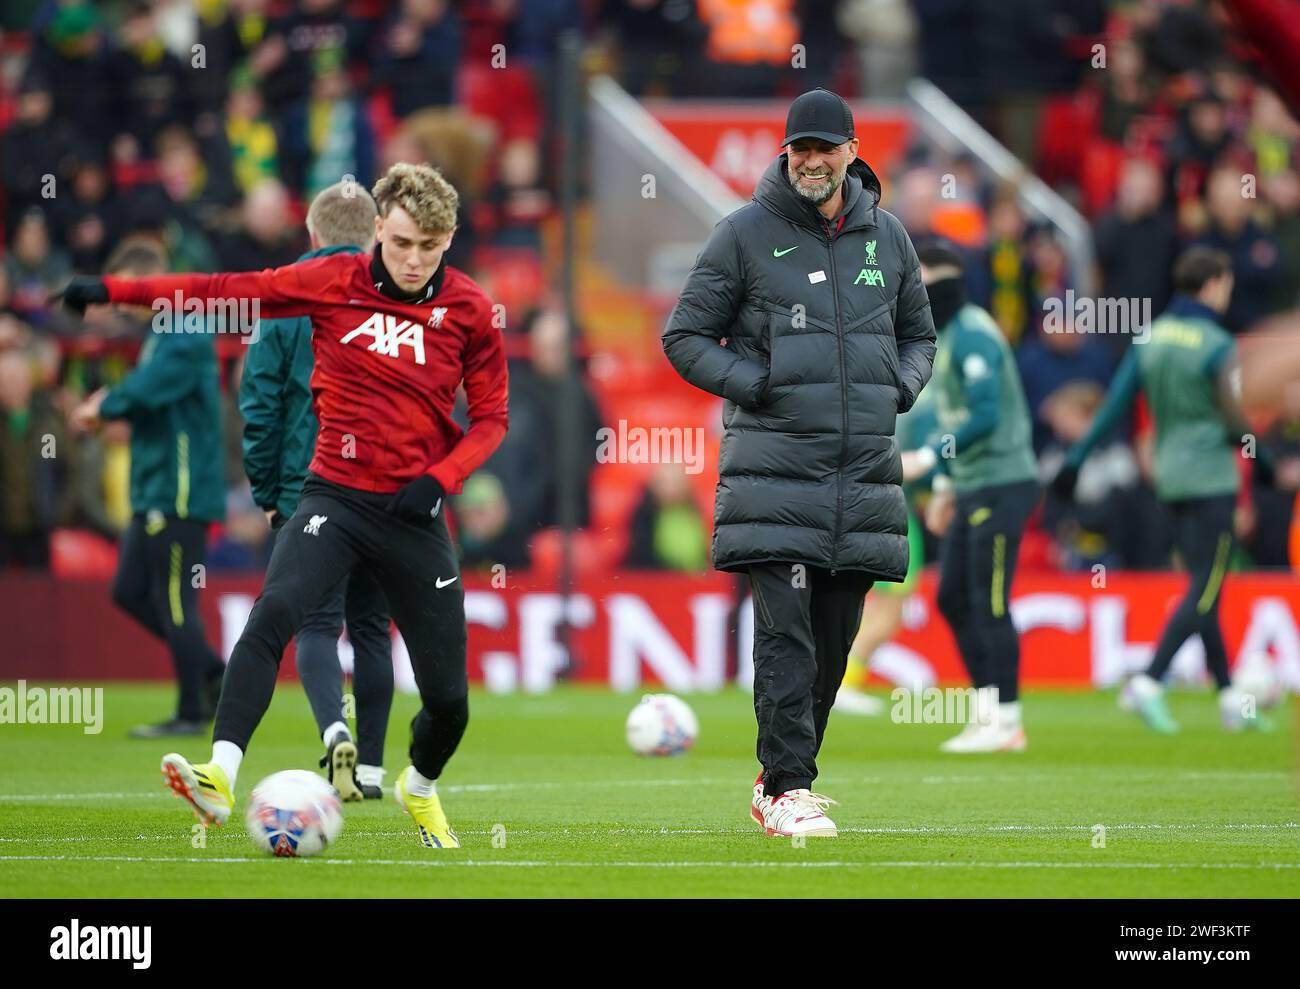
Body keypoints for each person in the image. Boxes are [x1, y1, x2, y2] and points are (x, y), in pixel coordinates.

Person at [60, 163, 509, 848]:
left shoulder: (472, 309)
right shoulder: (334, 283)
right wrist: (116, 291)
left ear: (449, 240)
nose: (415, 258)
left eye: (432, 244)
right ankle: (218, 771)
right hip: (333, 492)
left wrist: (442, 477)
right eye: (403, 242)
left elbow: (492, 419)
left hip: (416, 513)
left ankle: (417, 786)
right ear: (379, 229)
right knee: (274, 614)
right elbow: (220, 291)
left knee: (449, 702)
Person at [663, 89, 936, 838]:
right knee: (786, 633)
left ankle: (781, 776)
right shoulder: (743, 235)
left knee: (835, 639)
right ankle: (787, 785)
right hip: (774, 473)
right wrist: (757, 385)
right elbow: (684, 336)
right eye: (799, 149)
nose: (811, 161)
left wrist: (899, 389)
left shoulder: (891, 240)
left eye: (825, 148)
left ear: (851, 153)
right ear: (785, 155)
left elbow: (920, 336)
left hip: (863, 476)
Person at [1053, 247, 1273, 734]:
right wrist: (1266, 462)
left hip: (1168, 478)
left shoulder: (1149, 336)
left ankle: (1232, 698)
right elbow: (1236, 418)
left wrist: (1074, 460)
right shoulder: (1217, 342)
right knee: (1208, 583)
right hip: (1212, 477)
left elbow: (1113, 405)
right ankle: (1149, 681)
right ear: (1215, 283)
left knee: (1202, 584)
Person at [238, 180, 393, 801]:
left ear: (312, 234)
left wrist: (267, 491)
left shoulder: (282, 298)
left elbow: (261, 401)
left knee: (316, 625)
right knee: (375, 627)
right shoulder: (399, 294)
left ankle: (335, 733)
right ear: (376, 234)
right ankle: (375, 770)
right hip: (387, 489)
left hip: (312, 488)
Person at [68, 243, 227, 738]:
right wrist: (115, 408)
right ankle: (214, 673)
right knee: (129, 591)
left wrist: (105, 405)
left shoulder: (183, 324)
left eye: (125, 292)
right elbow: (154, 393)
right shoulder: (164, 329)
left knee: (176, 600)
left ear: (148, 280)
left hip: (179, 491)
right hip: (156, 487)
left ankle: (191, 713)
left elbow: (153, 385)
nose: (120, 304)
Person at [900, 244, 1040, 753]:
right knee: (953, 596)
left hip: (1003, 481)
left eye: (927, 280)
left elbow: (984, 417)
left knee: (990, 600)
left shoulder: (976, 334)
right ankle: (988, 714)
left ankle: (1007, 719)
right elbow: (951, 418)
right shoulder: (947, 336)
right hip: (972, 484)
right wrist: (944, 486)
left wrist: (931, 461)